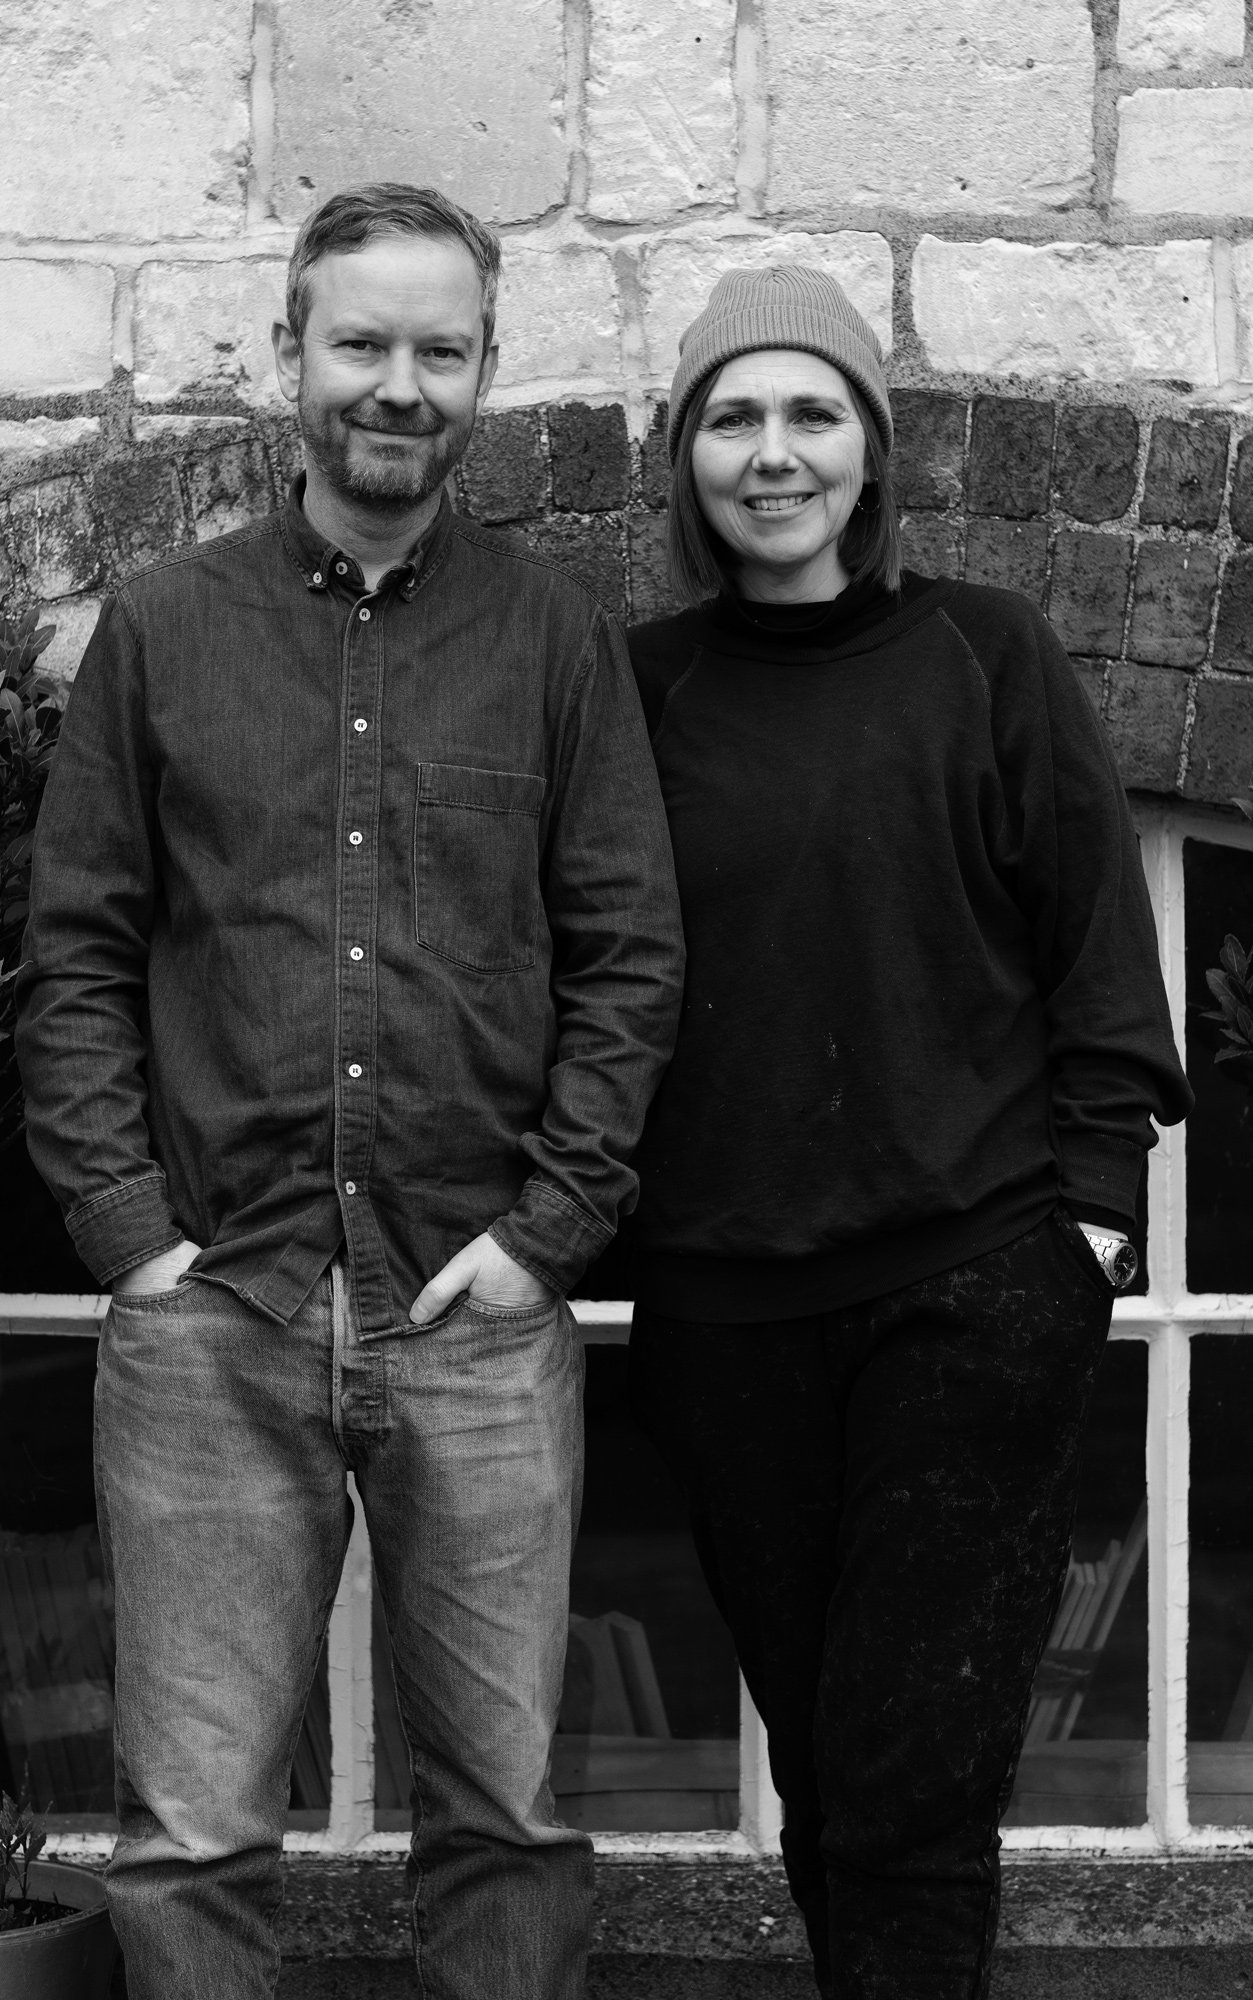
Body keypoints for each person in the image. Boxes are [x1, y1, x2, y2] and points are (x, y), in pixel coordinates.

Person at [15, 183, 684, 2000]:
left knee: (509, 1819)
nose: (399, 384)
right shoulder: (164, 629)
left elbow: (627, 957)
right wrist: (129, 1237)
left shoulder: (556, 642)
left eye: (438, 350)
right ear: (288, 356)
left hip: (473, 1303)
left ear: (485, 371)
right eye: (363, 344)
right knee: (196, 1838)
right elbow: (74, 954)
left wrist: (549, 1233)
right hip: (212, 1311)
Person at [624, 265, 1191, 2000]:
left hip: (972, 1287)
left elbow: (1100, 948)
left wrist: (1087, 1226)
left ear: (869, 456)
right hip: (726, 1311)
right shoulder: (632, 690)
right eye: (733, 416)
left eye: (811, 416)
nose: (770, 454)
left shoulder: (983, 651)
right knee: (830, 1772)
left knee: (909, 1781)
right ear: (687, 457)